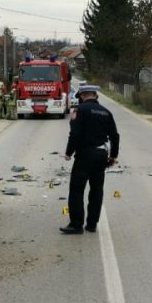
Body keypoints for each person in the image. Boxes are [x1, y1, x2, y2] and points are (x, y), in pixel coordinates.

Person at [60, 84, 120, 234]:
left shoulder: (79, 110)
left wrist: (68, 152)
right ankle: (92, 224)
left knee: (76, 190)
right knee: (96, 190)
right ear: (96, 96)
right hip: (101, 155)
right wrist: (113, 156)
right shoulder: (106, 113)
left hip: (85, 155)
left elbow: (75, 134)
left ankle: (76, 224)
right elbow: (115, 136)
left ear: (82, 96)